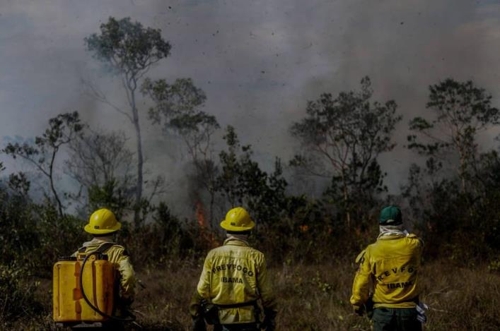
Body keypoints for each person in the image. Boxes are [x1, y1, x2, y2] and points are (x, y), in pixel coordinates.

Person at [189, 207, 278, 331]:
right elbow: (267, 294)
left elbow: (201, 290)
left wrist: (196, 315)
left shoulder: (213, 256)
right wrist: (270, 316)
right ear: (248, 231)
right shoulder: (257, 257)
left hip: (221, 322)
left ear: (226, 230)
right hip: (249, 321)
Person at [350, 205, 424, 331]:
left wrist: (357, 303)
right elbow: (418, 240)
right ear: (400, 224)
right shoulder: (414, 245)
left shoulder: (371, 251)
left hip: (383, 314)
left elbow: (361, 282)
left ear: (380, 225)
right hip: (409, 312)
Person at [72, 208, 137, 329]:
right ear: (113, 230)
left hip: (77, 315)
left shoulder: (77, 253)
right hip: (108, 315)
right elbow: (129, 276)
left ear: (91, 230)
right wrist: (126, 298)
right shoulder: (118, 252)